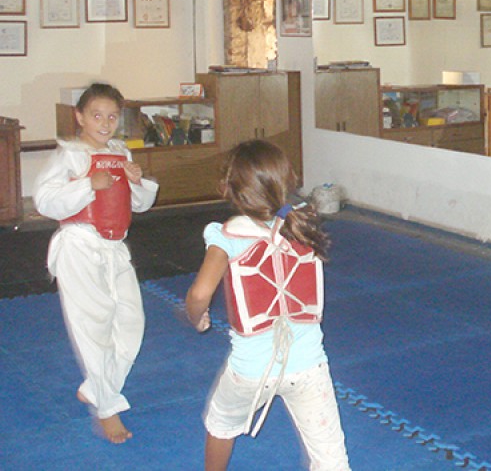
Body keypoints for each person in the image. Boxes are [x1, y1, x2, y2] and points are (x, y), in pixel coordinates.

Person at [184, 139, 350, 471]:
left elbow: (200, 294)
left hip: (251, 370)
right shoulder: (302, 226)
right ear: (289, 180)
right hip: (309, 367)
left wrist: (196, 317)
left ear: (227, 187)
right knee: (331, 460)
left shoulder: (226, 235)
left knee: (221, 424)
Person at [33, 83, 159, 443]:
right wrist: (88, 184)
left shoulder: (119, 152)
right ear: (80, 117)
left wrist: (137, 182)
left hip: (114, 247)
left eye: (112, 116)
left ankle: (97, 387)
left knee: (132, 322)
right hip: (79, 246)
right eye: (96, 115)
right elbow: (45, 200)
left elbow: (138, 205)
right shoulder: (69, 155)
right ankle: (107, 409)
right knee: (94, 326)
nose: (105, 123)